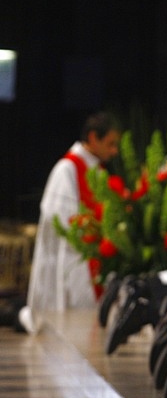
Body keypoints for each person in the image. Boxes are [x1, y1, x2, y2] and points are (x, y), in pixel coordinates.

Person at [18, 112, 121, 334]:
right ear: (93, 138)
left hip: (95, 259)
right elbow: (59, 220)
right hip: (71, 259)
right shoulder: (67, 169)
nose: (115, 151)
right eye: (111, 144)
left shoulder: (98, 170)